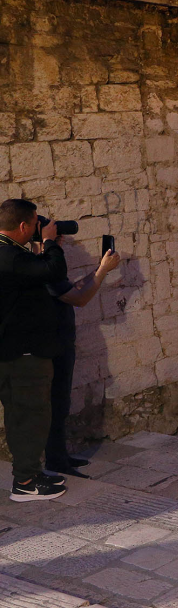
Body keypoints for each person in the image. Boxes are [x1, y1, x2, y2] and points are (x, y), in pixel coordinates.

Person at [0, 199, 68, 501]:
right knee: (31, 417)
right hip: (25, 354)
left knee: (19, 416)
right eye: (36, 223)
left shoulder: (9, 255)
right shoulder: (10, 256)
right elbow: (54, 271)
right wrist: (51, 241)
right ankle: (25, 484)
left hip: (10, 352)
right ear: (25, 225)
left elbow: (31, 275)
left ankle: (28, 474)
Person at [44, 238, 121, 478]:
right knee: (55, 404)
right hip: (52, 346)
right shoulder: (42, 267)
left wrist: (99, 270)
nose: (61, 242)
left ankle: (59, 455)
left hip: (61, 343)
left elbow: (72, 289)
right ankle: (55, 461)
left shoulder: (46, 268)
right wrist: (101, 272)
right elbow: (79, 298)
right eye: (56, 239)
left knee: (61, 402)